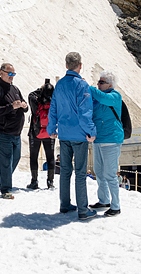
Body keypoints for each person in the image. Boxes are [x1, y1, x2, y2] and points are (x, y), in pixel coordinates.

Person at [49, 52, 98, 220]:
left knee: (65, 171)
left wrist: (51, 128)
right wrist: (91, 131)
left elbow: (53, 108)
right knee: (80, 172)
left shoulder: (59, 84)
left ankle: (65, 204)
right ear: (80, 65)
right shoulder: (82, 85)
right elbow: (85, 113)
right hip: (79, 135)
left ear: (66, 65)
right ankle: (83, 210)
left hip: (63, 134)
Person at [0, 63, 27, 199]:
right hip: (2, 131)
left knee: (16, 157)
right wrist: (11, 107)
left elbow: (22, 102)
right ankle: (6, 189)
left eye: (13, 74)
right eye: (9, 74)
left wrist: (24, 106)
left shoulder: (14, 89)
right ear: (1, 73)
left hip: (16, 132)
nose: (11, 77)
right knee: (6, 160)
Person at [89, 71, 123, 217]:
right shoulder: (98, 98)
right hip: (98, 139)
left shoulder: (115, 96)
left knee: (110, 174)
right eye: (98, 82)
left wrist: (88, 87)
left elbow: (103, 98)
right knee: (99, 171)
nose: (98, 84)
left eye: (101, 82)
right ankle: (104, 200)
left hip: (111, 139)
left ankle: (116, 206)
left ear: (110, 84)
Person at [26, 79, 56, 190]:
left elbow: (30, 94)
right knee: (50, 157)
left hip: (35, 133)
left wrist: (41, 88)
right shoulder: (54, 103)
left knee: (34, 157)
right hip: (50, 133)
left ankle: (34, 181)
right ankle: (50, 182)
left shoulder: (35, 101)